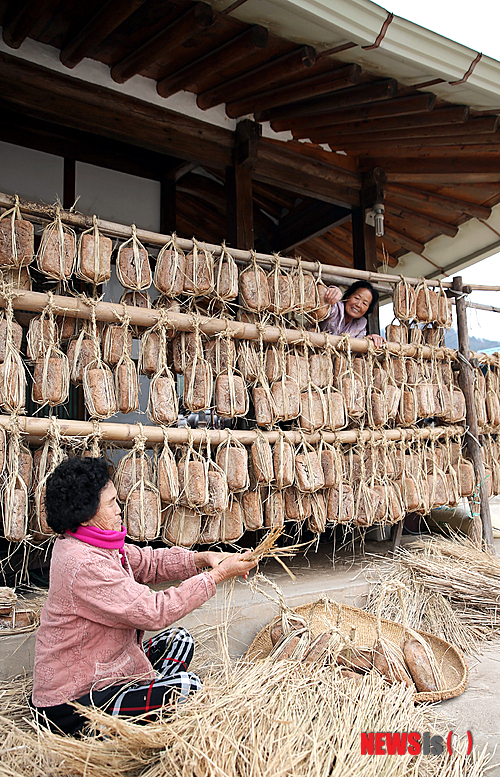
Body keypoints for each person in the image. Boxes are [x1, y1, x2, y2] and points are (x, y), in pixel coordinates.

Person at [31, 456, 257, 735]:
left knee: (179, 640)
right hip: (73, 702)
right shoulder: (83, 562)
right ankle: (137, 709)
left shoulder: (97, 543)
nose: (119, 509)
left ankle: (149, 698)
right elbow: (154, 611)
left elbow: (150, 562)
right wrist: (216, 576)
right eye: (112, 502)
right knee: (188, 687)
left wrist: (204, 558)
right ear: (86, 513)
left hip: (107, 673)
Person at [320, 280, 386, 348]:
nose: (358, 305)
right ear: (348, 296)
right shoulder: (335, 307)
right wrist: (333, 292)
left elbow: (358, 349)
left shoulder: (361, 325)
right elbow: (323, 304)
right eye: (357, 298)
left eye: (364, 303)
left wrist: (370, 339)